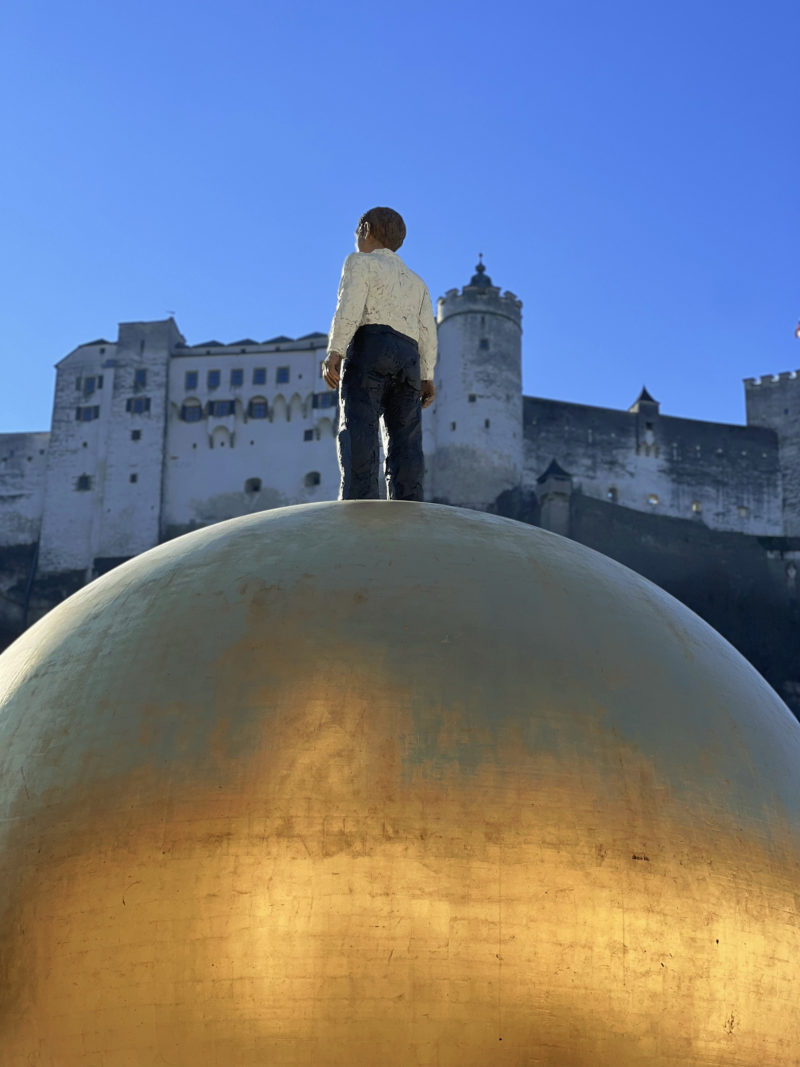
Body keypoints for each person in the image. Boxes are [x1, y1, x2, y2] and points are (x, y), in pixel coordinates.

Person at [322, 207, 437, 501]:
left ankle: (359, 502)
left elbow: (349, 307)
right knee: (406, 439)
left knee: (360, 426)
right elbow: (427, 331)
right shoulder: (417, 282)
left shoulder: (360, 263)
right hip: (409, 356)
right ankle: (407, 505)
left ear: (365, 229)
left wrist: (335, 352)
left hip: (370, 345)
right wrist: (427, 375)